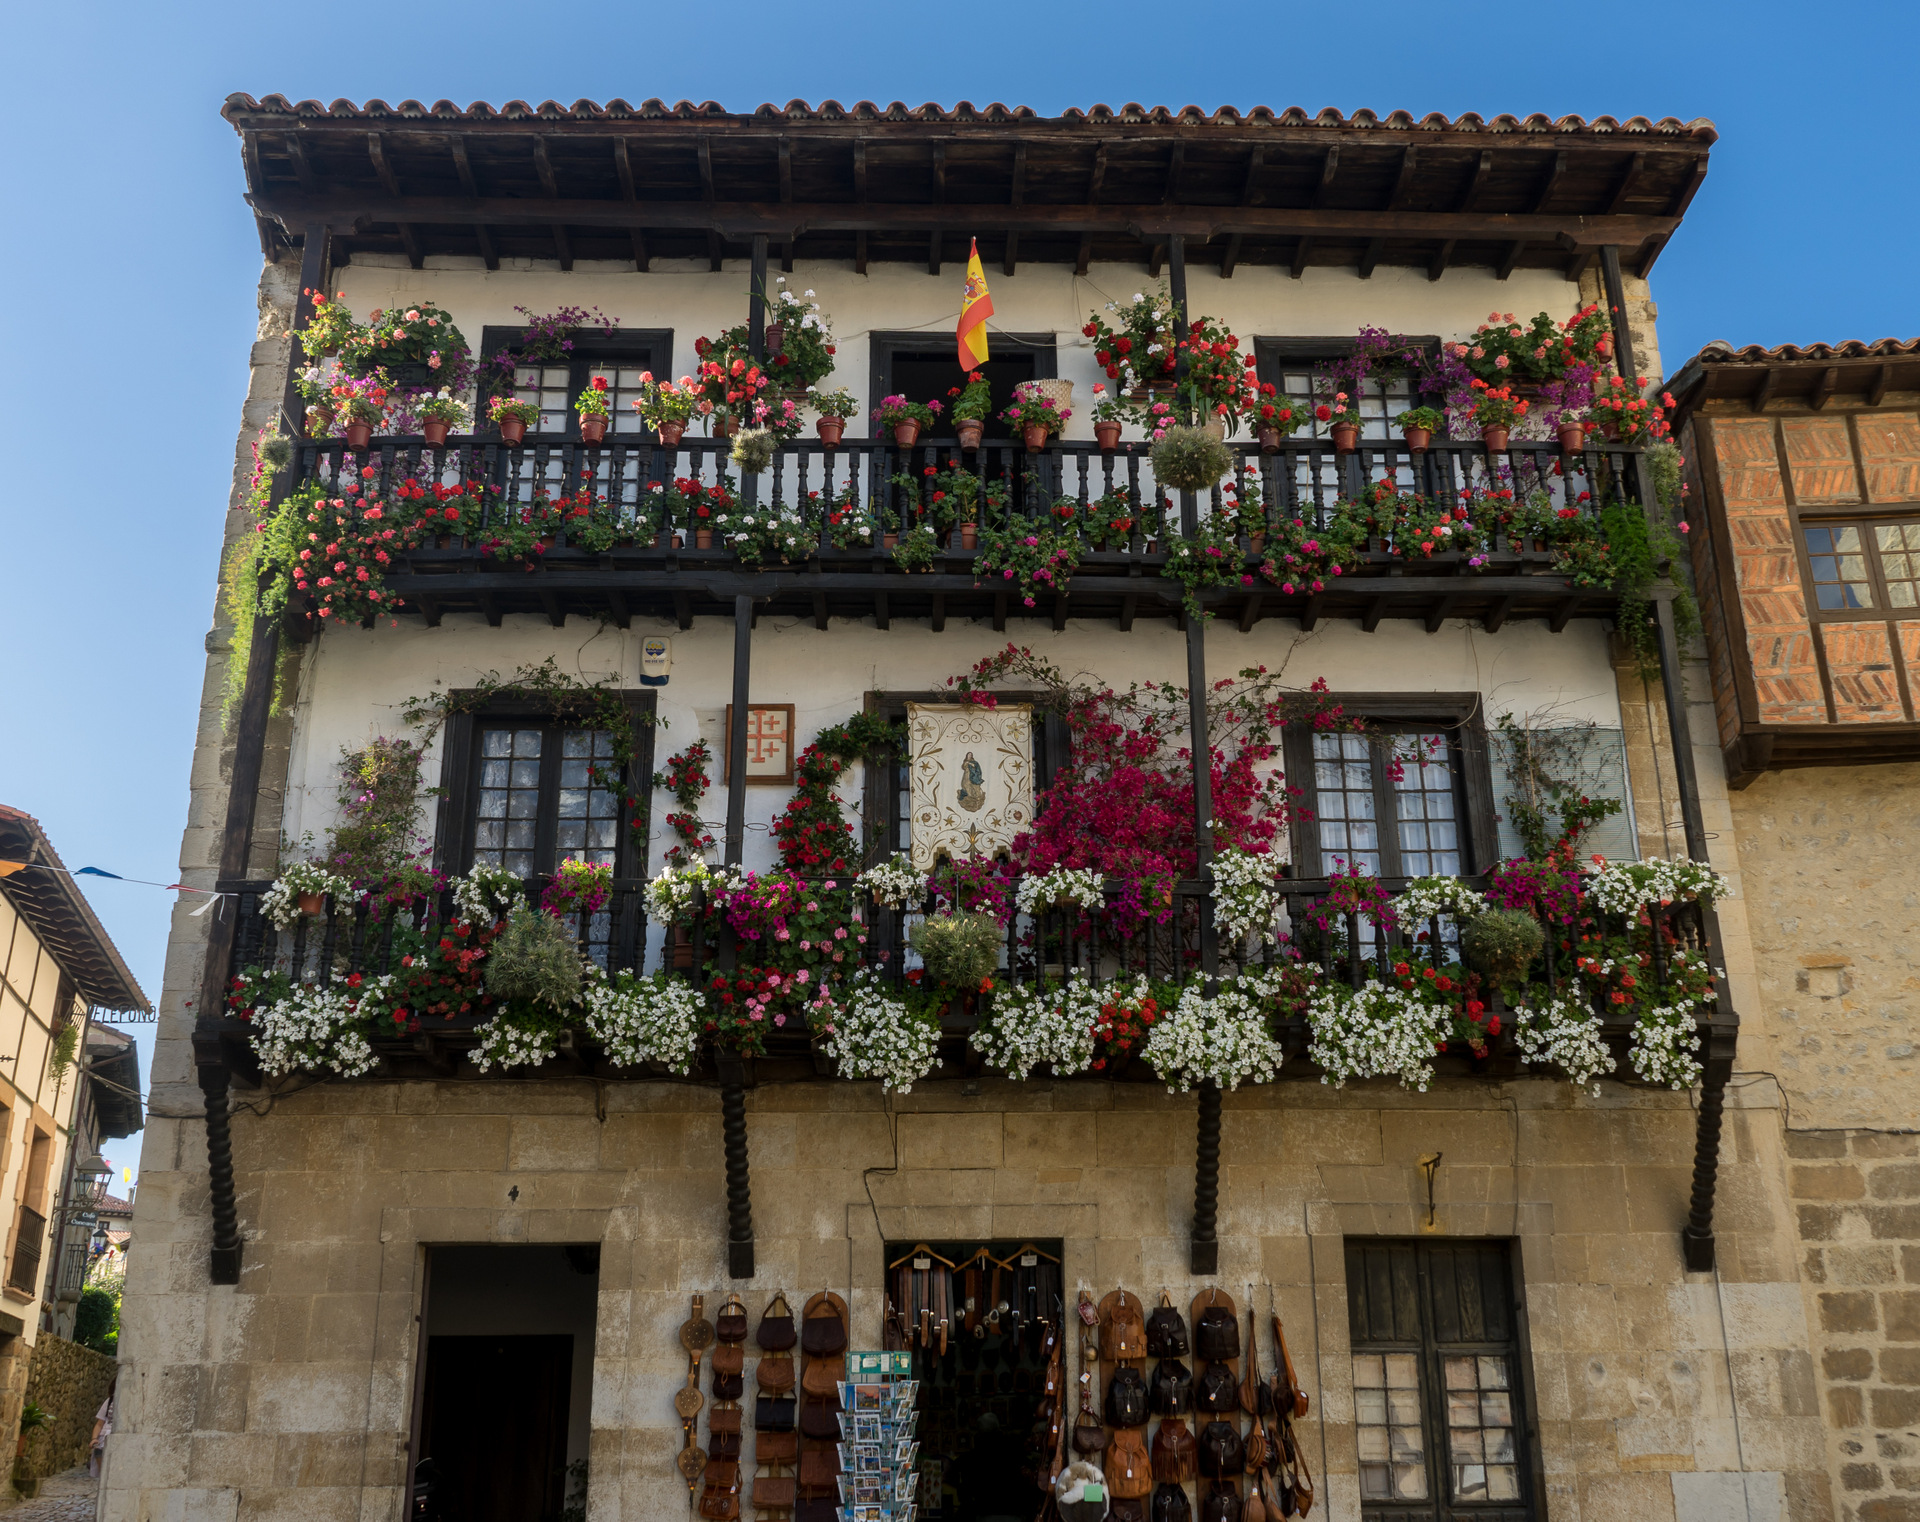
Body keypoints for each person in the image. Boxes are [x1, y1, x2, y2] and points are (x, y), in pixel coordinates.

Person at [88, 1379, 115, 1479]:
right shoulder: (109, 1401)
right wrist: (94, 1438)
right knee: (103, 1471)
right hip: (103, 1439)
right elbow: (99, 1423)